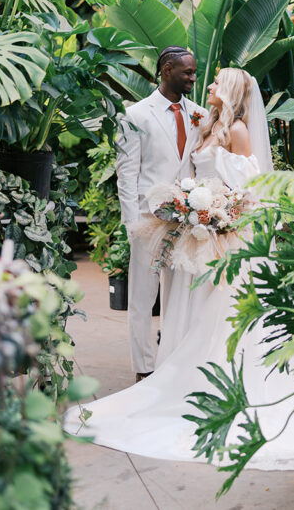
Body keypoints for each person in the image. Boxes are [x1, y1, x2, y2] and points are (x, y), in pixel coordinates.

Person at [66, 68, 294, 471]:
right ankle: (177, 374)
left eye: (214, 82)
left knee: (222, 315)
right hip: (200, 231)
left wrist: (217, 213)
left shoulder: (240, 132)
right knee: (191, 307)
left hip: (227, 235)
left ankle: (217, 380)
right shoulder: (205, 123)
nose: (207, 84)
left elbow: (251, 192)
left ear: (227, 91)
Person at [114, 46, 207, 381]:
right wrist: (131, 222)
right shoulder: (136, 115)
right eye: (187, 73)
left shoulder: (199, 114)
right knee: (142, 297)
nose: (193, 78)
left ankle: (170, 364)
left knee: (177, 295)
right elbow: (126, 173)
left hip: (187, 221)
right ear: (167, 70)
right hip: (147, 220)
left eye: (194, 72)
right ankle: (143, 369)